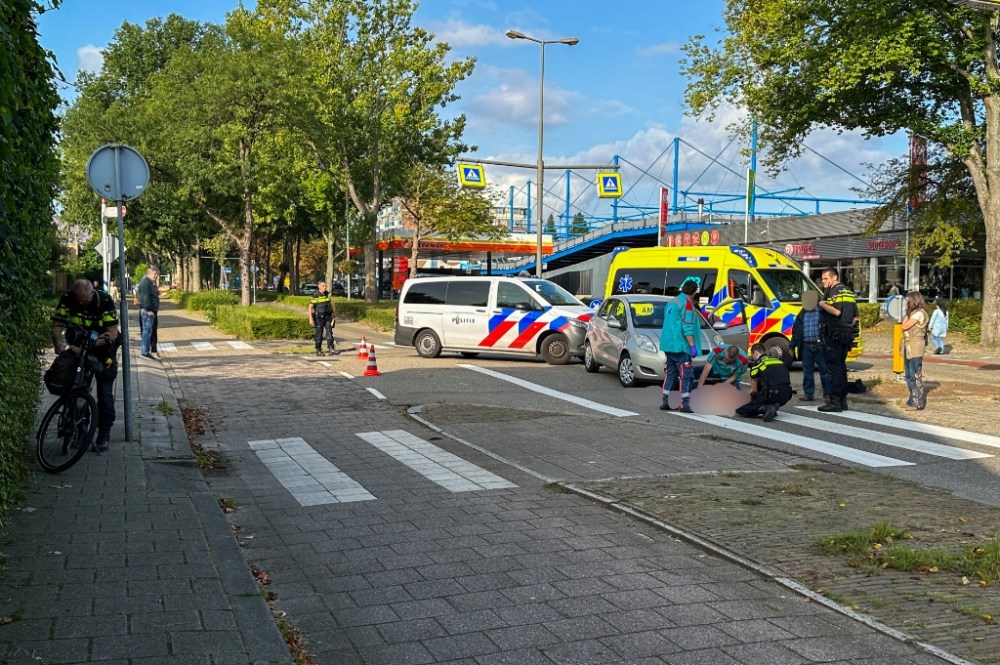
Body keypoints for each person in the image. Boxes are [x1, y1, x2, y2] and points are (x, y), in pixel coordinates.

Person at [52, 280, 120, 452]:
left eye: (85, 300)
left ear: (92, 293)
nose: (81, 303)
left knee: (104, 392)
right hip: (77, 346)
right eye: (78, 300)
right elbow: (58, 322)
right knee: (75, 385)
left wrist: (90, 346)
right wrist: (58, 342)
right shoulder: (68, 298)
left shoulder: (104, 301)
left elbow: (112, 333)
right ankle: (80, 428)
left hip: (102, 348)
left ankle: (104, 433)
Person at [817, 268, 859, 413]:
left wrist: (822, 304)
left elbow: (836, 311)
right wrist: (846, 328)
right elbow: (855, 317)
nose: (823, 282)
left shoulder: (833, 291)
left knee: (833, 369)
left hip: (833, 336)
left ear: (834, 278)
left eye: (825, 279)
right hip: (845, 336)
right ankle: (842, 401)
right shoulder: (848, 292)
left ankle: (834, 402)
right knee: (841, 368)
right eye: (822, 279)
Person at [659, 279, 701, 413]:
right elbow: (687, 328)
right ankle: (685, 404)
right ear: (694, 293)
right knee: (686, 375)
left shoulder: (671, 302)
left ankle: (665, 402)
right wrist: (692, 346)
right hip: (680, 346)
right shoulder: (687, 304)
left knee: (670, 374)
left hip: (668, 344)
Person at [790, 290, 831, 403]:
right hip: (806, 346)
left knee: (825, 371)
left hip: (820, 346)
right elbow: (796, 331)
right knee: (807, 371)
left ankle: (828, 394)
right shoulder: (802, 313)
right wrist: (792, 346)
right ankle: (808, 394)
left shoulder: (822, 311)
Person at [736, 343, 793, 422]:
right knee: (765, 378)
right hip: (785, 396)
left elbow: (753, 390)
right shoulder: (778, 361)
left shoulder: (757, 364)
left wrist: (752, 401)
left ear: (756, 353)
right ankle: (771, 406)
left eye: (752, 356)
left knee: (741, 409)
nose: (753, 358)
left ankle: (765, 408)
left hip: (771, 395)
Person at [901, 292, 928, 411]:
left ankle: (917, 402)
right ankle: (912, 399)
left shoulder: (919, 313)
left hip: (916, 346)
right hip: (908, 346)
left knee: (915, 375)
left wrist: (906, 313)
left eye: (907, 300)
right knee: (908, 375)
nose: (905, 302)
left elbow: (905, 325)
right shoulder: (912, 313)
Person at [308, 281, 338, 356]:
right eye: (323, 286)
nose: (325, 287)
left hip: (327, 317)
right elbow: (310, 307)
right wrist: (310, 319)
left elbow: (329, 303)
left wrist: (333, 312)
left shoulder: (326, 294)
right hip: (319, 318)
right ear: (319, 286)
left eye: (325, 286)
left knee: (329, 333)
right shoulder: (315, 295)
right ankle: (318, 350)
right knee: (319, 334)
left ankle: (331, 348)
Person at [137, 267, 160, 359]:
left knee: (148, 331)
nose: (156, 276)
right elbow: (145, 298)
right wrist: (149, 309)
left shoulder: (147, 282)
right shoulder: (146, 283)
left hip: (148, 310)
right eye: (155, 274)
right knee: (147, 331)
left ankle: (145, 351)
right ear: (149, 273)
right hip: (147, 311)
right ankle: (145, 352)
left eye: (157, 274)